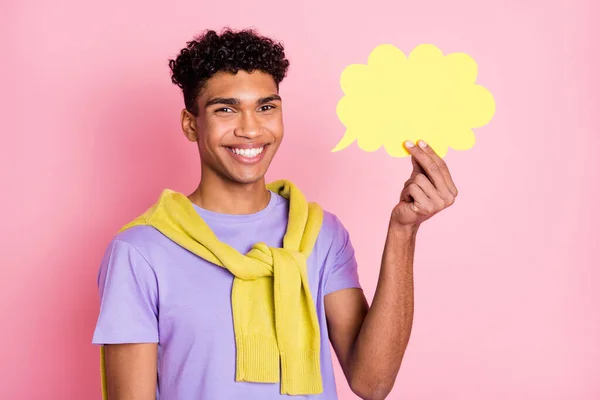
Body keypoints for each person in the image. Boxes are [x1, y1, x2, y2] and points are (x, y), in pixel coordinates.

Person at [91, 27, 458, 400]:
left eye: (266, 107)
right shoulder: (140, 251)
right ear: (191, 124)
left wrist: (403, 231)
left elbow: (372, 381)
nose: (250, 129)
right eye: (226, 109)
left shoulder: (321, 234)